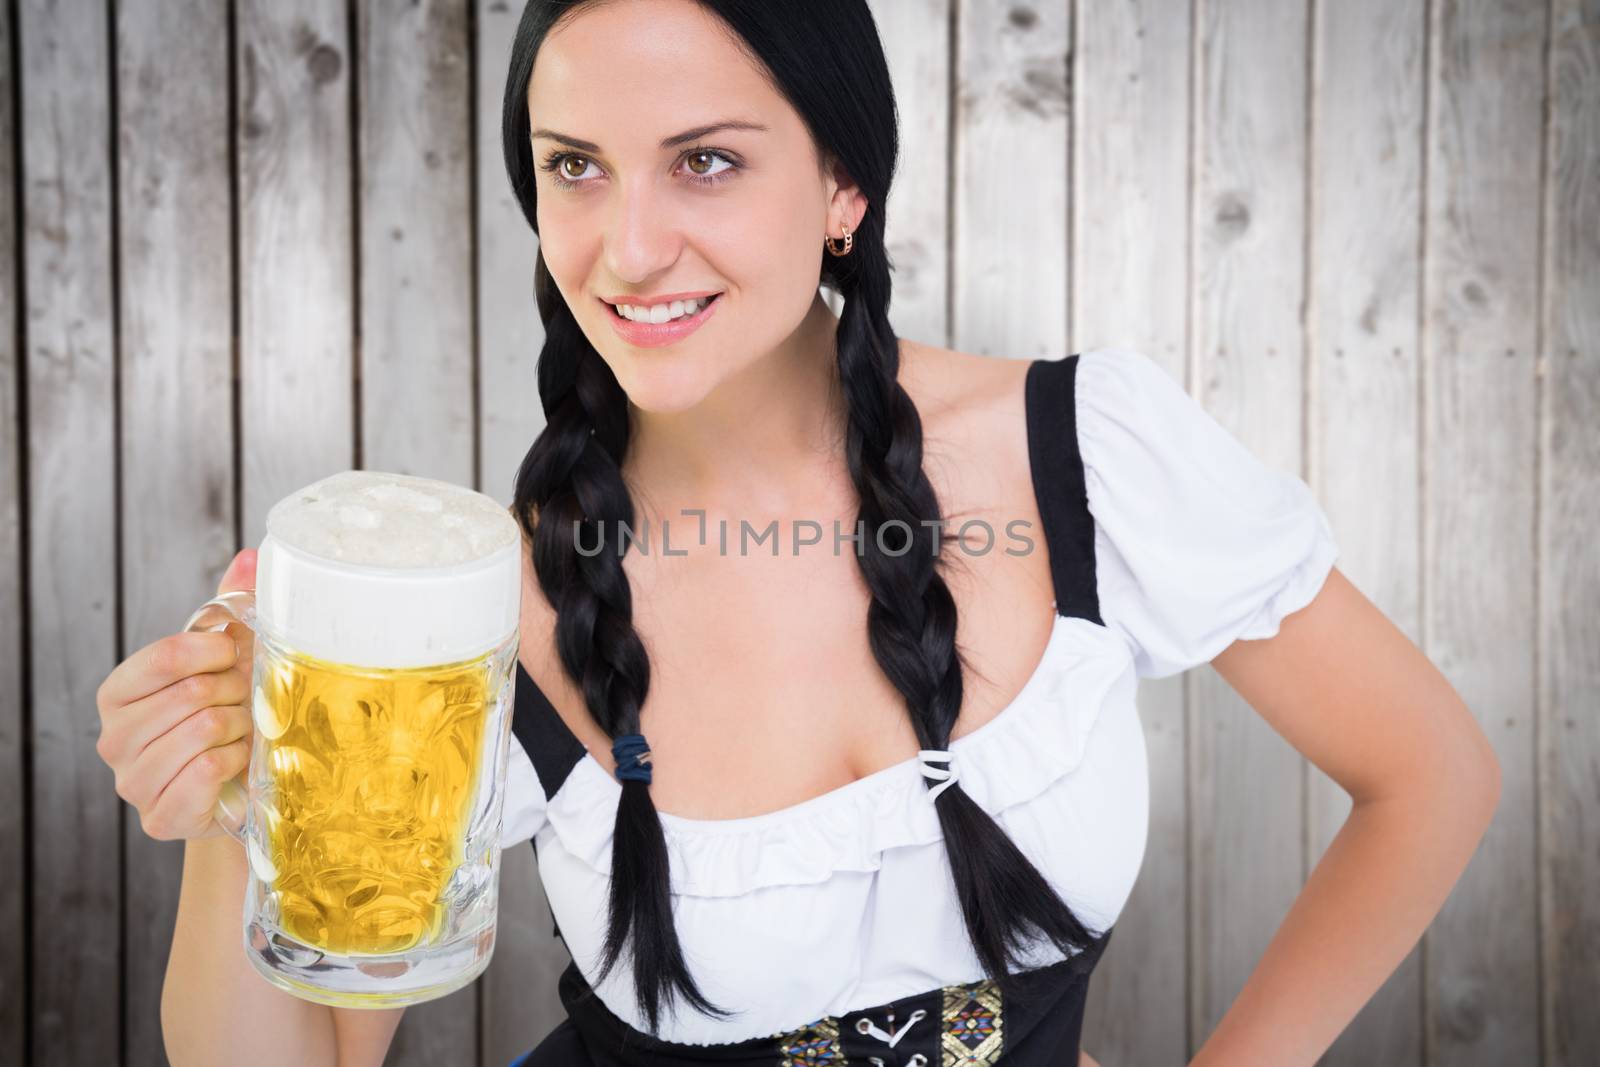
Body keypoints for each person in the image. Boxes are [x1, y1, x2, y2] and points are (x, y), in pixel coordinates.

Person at [95, 1, 1501, 1064]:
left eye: (703, 161)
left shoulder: (1081, 456)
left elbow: (1428, 771)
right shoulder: (482, 608)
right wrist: (233, 799)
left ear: (843, 187)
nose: (629, 245)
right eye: (575, 166)